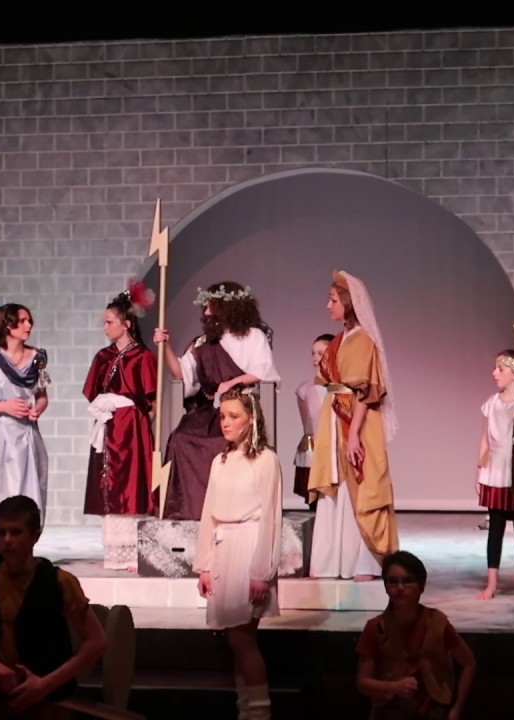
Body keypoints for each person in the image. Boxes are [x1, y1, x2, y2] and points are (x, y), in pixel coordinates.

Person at [0, 495, 107, 720]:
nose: (7, 540)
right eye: (1, 533)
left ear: (35, 535)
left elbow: (97, 641)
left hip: (49, 702)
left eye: (16, 532)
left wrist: (46, 684)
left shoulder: (59, 582)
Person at [152, 281, 280, 520]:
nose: (207, 312)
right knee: (180, 439)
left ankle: (228, 509)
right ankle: (189, 509)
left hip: (240, 406)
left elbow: (262, 371)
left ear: (228, 307)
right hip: (209, 411)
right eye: (206, 307)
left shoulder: (253, 336)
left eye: (212, 306)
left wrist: (231, 384)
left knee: (221, 442)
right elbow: (182, 374)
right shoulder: (202, 343)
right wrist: (165, 346)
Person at [194, 387, 283, 720]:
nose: (226, 423)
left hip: (249, 548)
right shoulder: (220, 461)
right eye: (222, 416)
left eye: (234, 416)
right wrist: (205, 565)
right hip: (223, 549)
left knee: (243, 638)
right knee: (234, 640)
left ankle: (259, 712)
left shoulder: (265, 460)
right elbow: (209, 513)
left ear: (251, 419)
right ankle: (244, 708)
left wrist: (262, 572)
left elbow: (271, 518)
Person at [308, 270, 399, 581]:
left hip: (356, 421)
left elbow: (363, 391)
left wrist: (355, 434)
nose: (328, 305)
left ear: (347, 302)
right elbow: (326, 379)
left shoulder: (362, 340)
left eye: (333, 300)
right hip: (335, 417)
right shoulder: (339, 340)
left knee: (361, 485)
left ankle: (365, 562)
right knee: (337, 487)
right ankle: (332, 561)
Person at [0, 304, 51, 562]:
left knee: (26, 496)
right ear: (7, 325)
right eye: (22, 321)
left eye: (29, 320)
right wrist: (4, 406)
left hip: (25, 437)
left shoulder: (37, 358)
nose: (28, 326)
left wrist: (38, 409)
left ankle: (24, 562)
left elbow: (42, 396)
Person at [356, 551, 476, 720]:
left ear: (421, 586)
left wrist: (456, 710)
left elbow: (468, 663)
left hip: (432, 710)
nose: (400, 588)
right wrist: (394, 687)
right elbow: (363, 683)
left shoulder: (437, 622)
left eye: (407, 581)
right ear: (386, 587)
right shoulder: (376, 628)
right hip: (390, 711)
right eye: (393, 581)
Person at [82, 284, 158, 527]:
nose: (105, 327)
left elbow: (153, 400)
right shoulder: (103, 357)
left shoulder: (143, 357)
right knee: (108, 479)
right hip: (108, 424)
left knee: (131, 478)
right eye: (104, 322)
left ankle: (132, 537)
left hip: (132, 426)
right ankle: (113, 537)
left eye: (109, 322)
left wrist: (141, 427)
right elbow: (94, 392)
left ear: (126, 324)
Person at [476, 350, 514, 600]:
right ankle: (492, 583)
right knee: (495, 528)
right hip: (495, 473)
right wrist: (480, 471)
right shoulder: (492, 403)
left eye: (500, 369)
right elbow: (485, 440)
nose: (494, 373)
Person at [293, 334, 334, 510]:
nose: (315, 358)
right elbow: (308, 427)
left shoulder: (343, 389)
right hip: (316, 454)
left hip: (336, 451)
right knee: (317, 506)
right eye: (313, 353)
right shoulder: (304, 390)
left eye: (321, 353)